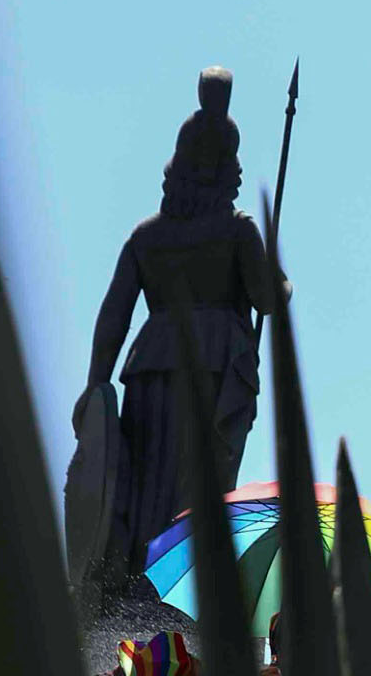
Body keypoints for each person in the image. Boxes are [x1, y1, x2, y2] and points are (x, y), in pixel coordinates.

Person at [85, 69, 284, 582]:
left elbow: (113, 315)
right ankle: (179, 585)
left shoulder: (147, 237)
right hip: (215, 365)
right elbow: (267, 298)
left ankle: (134, 577)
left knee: (145, 485)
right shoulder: (236, 231)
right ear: (229, 169)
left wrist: (96, 383)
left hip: (151, 367)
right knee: (202, 484)